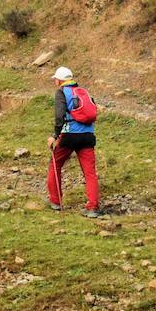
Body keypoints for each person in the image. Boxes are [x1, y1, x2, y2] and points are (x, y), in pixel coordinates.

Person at [47, 66, 101, 218]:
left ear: (59, 80)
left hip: (69, 135)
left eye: (55, 80)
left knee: (55, 164)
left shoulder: (61, 92)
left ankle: (56, 201)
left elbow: (59, 116)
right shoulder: (83, 92)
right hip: (88, 136)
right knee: (90, 173)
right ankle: (92, 207)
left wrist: (55, 135)